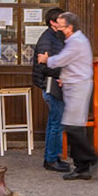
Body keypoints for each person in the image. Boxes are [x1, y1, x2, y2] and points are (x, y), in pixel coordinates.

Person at [42, 10, 98, 180]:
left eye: (62, 26)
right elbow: (72, 64)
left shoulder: (76, 42)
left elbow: (62, 60)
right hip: (73, 86)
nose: (59, 29)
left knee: (72, 126)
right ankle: (83, 167)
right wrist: (64, 77)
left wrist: (46, 60)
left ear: (70, 27)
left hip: (77, 88)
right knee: (73, 126)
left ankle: (91, 158)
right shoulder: (75, 39)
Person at [31, 11, 66, 172]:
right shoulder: (47, 39)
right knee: (56, 124)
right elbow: (44, 65)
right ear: (53, 22)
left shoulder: (56, 36)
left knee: (55, 123)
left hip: (54, 85)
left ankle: (52, 157)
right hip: (52, 86)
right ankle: (51, 159)